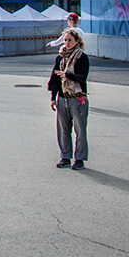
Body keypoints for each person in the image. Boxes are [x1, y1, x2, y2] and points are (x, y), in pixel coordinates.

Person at [48, 29, 90, 170]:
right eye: (65, 40)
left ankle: (79, 159)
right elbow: (55, 78)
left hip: (77, 99)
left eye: (70, 40)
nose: (67, 43)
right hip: (62, 97)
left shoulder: (82, 57)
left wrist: (68, 75)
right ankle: (65, 157)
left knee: (80, 131)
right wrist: (53, 98)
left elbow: (82, 77)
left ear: (77, 41)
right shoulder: (60, 57)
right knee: (63, 130)